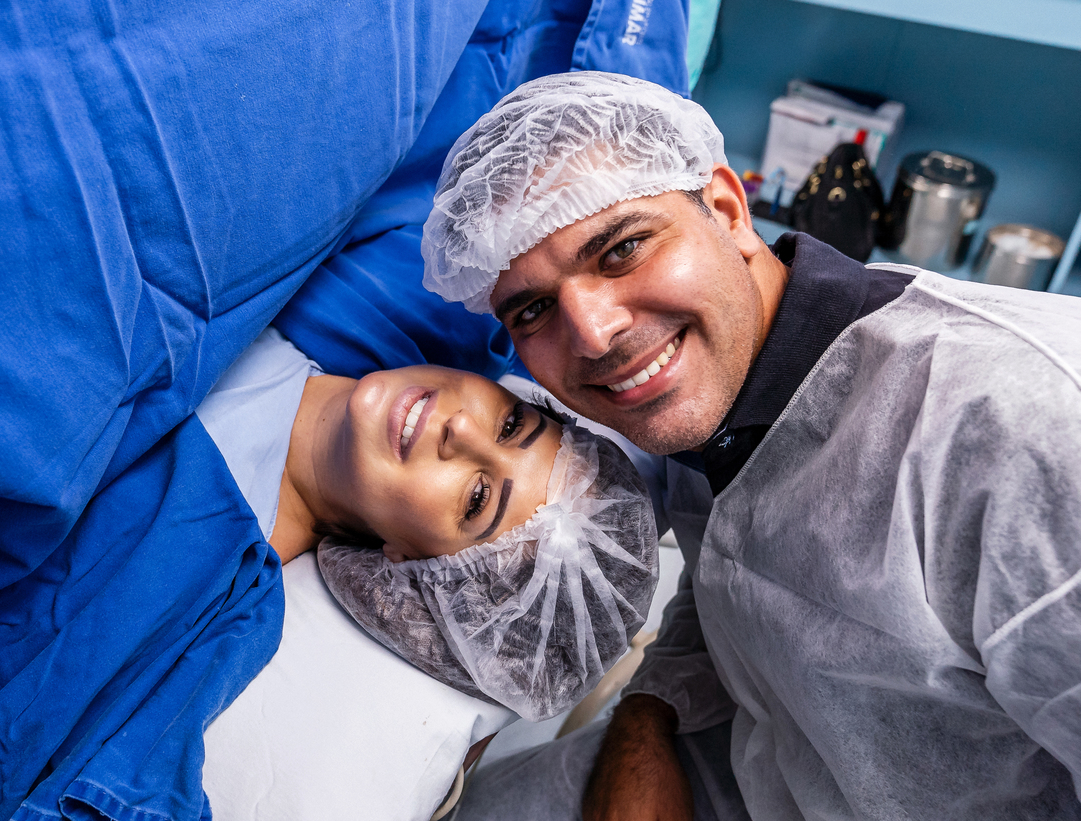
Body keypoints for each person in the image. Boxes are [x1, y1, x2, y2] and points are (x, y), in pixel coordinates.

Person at [421, 71, 1081, 819]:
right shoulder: (714, 384)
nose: (595, 335)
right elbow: (735, 575)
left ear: (730, 212)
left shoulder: (1024, 436)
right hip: (759, 753)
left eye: (623, 249)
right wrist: (647, 715)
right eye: (534, 309)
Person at [195, 325, 660, 721]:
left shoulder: (197, 559)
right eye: (511, 425)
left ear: (417, 571)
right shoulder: (413, 314)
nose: (462, 428)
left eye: (477, 499)